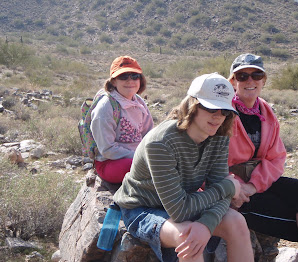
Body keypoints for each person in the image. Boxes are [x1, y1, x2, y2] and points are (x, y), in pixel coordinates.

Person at [113, 73, 254, 262]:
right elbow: (180, 211)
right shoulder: (161, 142)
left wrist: (206, 224)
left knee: (237, 222)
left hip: (183, 201)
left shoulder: (219, 136)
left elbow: (221, 193)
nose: (218, 116)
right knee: (189, 238)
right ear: (192, 105)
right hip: (143, 208)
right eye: (210, 107)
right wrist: (229, 187)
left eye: (224, 111)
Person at [227, 53, 298, 262]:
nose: (250, 81)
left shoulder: (266, 111)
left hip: (256, 183)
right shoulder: (223, 112)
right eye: (242, 76)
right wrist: (235, 186)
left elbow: (276, 158)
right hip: (231, 188)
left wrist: (254, 185)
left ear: (263, 80)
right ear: (233, 81)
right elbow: (210, 158)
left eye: (256, 75)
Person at [91, 55, 154, 184]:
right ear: (113, 81)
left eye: (135, 76)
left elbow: (149, 135)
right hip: (110, 162)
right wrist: (139, 157)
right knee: (144, 169)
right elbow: (107, 149)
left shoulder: (139, 103)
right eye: (123, 76)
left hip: (137, 157)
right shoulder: (106, 107)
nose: (130, 81)